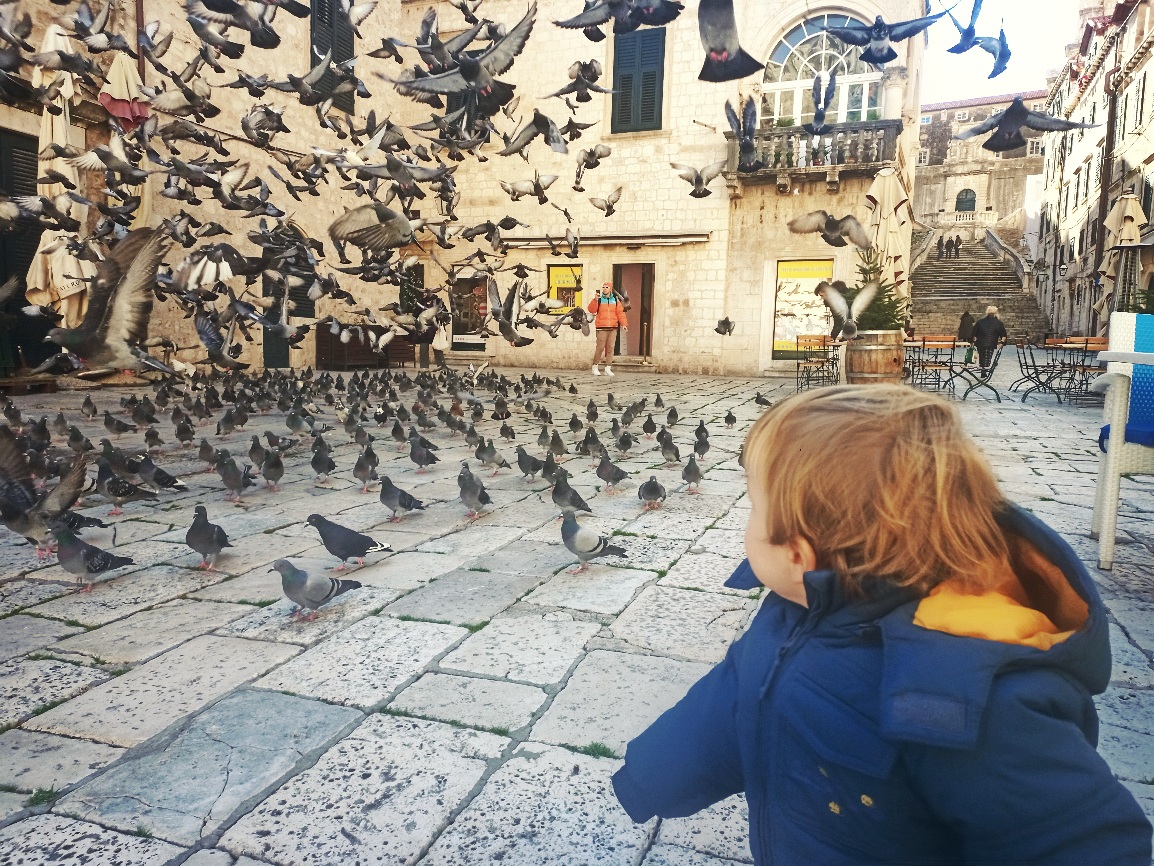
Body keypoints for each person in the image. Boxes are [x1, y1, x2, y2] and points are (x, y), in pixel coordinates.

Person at [612, 385, 1151, 865]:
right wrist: (652, 776)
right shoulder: (791, 612)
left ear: (799, 554)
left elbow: (1076, 837)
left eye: (753, 507)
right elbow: (735, 698)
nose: (746, 525)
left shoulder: (966, 695)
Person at [588, 281, 628, 376]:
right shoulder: (599, 299)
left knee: (610, 348)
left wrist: (624, 324)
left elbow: (620, 313)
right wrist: (595, 300)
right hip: (601, 327)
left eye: (606, 287)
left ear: (610, 289)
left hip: (613, 327)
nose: (604, 289)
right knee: (600, 347)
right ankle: (595, 366)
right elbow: (591, 310)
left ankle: (608, 367)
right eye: (603, 287)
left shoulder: (615, 300)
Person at [972, 304, 1007, 371]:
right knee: (988, 357)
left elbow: (974, 334)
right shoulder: (999, 323)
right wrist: (1002, 343)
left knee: (982, 357)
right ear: (996, 313)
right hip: (991, 343)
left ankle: (982, 368)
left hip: (980, 343)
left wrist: (972, 342)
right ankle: (985, 368)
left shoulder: (980, 321)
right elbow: (1003, 335)